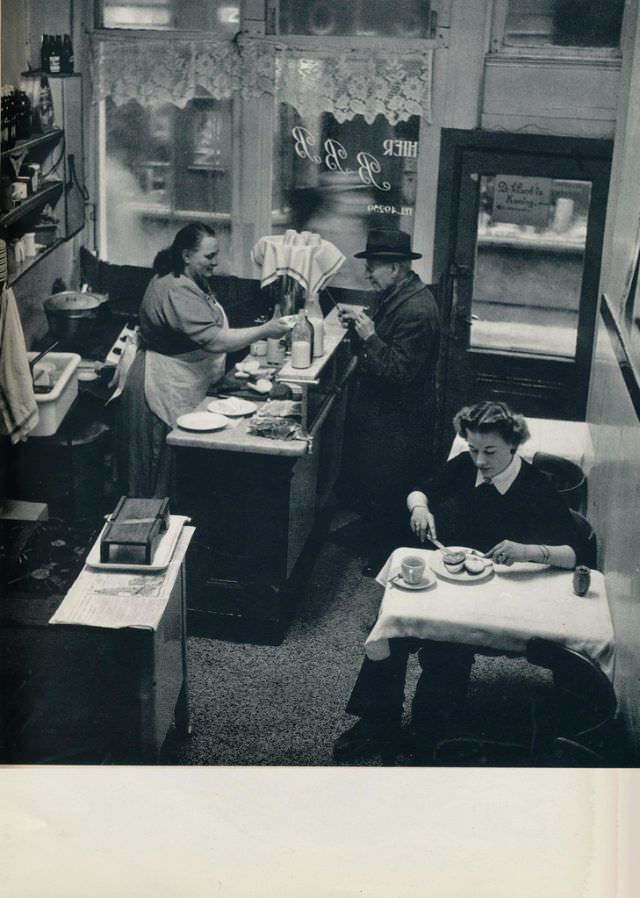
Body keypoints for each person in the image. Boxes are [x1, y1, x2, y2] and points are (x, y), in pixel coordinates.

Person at [333, 400, 586, 763]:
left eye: (490, 452)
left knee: (447, 646)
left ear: (514, 445)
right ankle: (377, 721)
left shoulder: (535, 487)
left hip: (504, 591)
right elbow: (421, 489)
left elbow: (576, 552)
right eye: (473, 449)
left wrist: (528, 551)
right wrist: (420, 507)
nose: (480, 461)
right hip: (457, 577)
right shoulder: (467, 465)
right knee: (390, 627)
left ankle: (428, 732)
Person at [117, 222, 289, 498]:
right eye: (209, 256)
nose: (215, 263)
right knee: (156, 471)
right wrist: (266, 329)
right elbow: (215, 340)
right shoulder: (175, 288)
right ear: (186, 255)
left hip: (181, 379)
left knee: (178, 472)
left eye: (216, 255)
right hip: (161, 384)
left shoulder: (189, 278)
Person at [335, 228, 440, 575]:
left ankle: (387, 554)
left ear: (395, 268)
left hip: (401, 418)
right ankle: (371, 535)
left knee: (392, 483)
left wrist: (369, 335)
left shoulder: (418, 311)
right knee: (374, 480)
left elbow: (399, 371)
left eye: (373, 267)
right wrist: (359, 327)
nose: (367, 274)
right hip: (383, 411)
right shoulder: (396, 294)